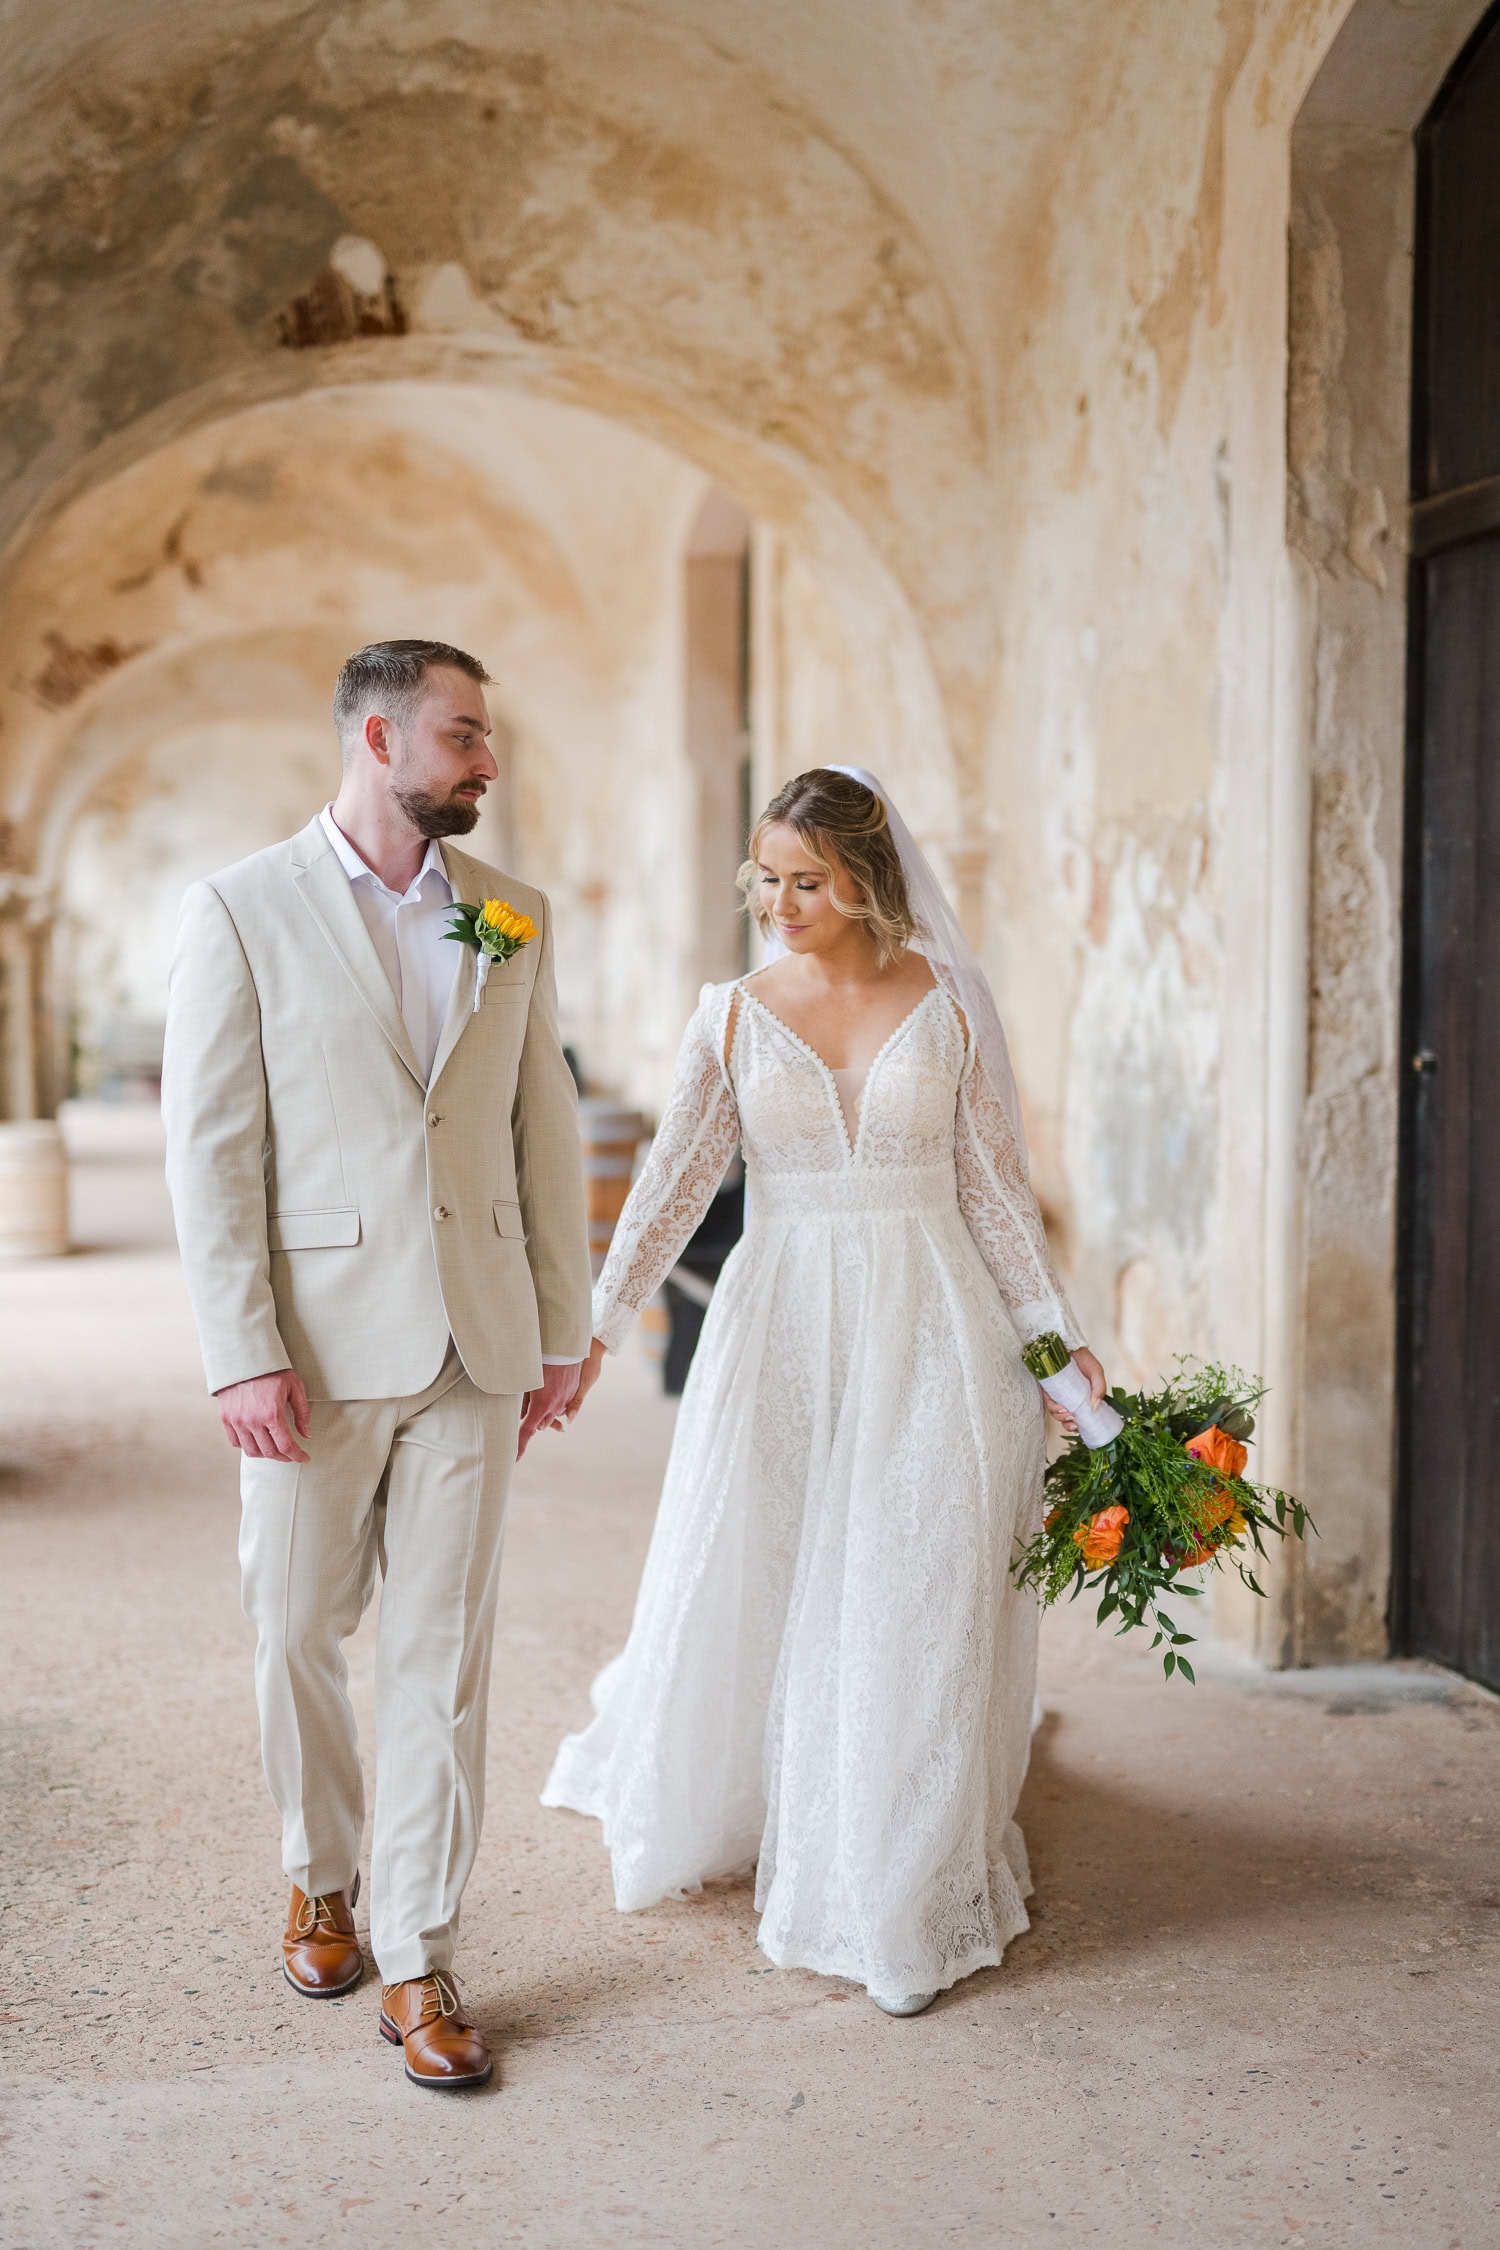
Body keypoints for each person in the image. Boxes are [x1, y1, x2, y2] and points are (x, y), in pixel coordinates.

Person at [545, 766, 1105, 2015]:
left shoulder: (949, 1002)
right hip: (783, 1325)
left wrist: (1056, 1348)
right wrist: (589, 1330)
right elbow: (671, 1186)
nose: (779, 902)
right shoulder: (732, 1016)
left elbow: (997, 1194)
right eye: (766, 878)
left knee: (914, 1579)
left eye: (806, 880)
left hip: (935, 1318)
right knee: (781, 1562)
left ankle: (892, 1883)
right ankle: (773, 1796)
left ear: (863, 878)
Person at [162, 640, 591, 2091]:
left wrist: (562, 1326)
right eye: (465, 734)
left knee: (441, 1658)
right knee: (293, 1626)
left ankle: (418, 1950)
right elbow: (212, 1151)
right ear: (376, 732)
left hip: (475, 1338)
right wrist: (240, 1351)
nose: (488, 759)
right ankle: (318, 1870)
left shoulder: (512, 917)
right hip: (315, 1348)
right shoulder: (239, 909)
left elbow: (542, 1126)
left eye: (488, 736)